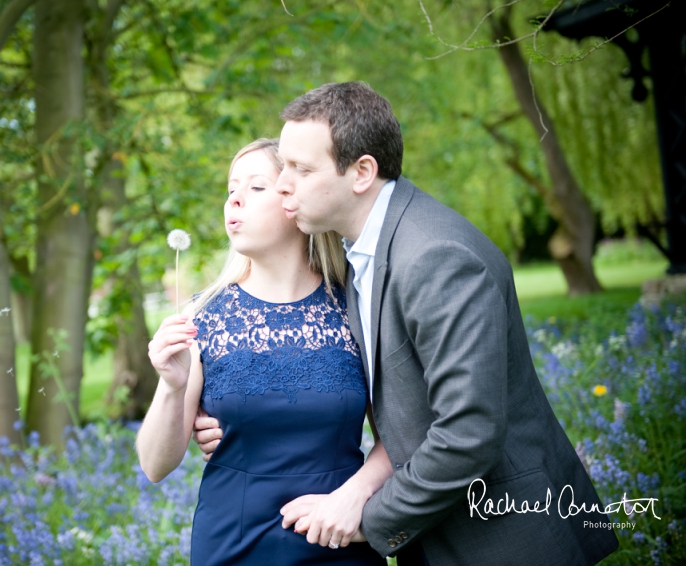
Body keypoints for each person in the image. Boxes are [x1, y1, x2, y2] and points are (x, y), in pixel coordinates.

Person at [194, 83, 620, 566]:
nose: (283, 183)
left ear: (362, 173)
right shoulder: (362, 260)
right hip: (434, 536)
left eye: (301, 169)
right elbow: (403, 400)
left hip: (497, 539)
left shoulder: (435, 257)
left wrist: (365, 517)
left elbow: (469, 432)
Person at [136, 138, 389, 565]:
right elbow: (155, 465)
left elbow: (400, 435)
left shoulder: (357, 308)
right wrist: (172, 385)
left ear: (296, 201)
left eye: (256, 187)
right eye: (230, 189)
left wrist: (353, 498)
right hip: (232, 547)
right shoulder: (203, 316)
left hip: (340, 540)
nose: (234, 199)